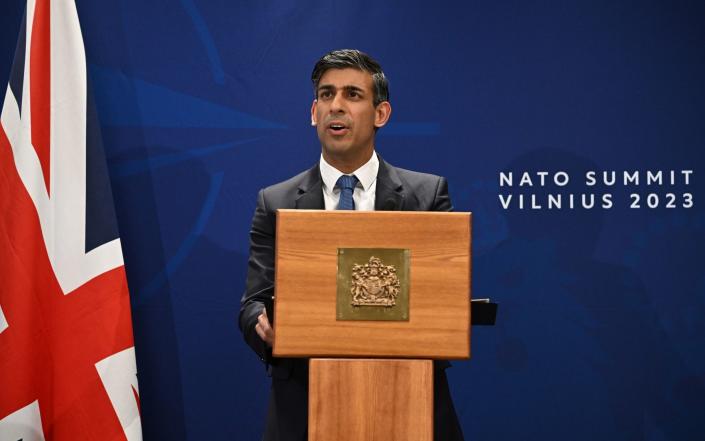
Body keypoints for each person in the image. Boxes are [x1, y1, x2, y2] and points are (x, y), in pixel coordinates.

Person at [239, 49, 465, 441]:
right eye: (326, 95)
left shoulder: (425, 195)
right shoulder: (274, 202)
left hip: (409, 401)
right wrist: (264, 325)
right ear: (313, 112)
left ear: (381, 114)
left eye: (352, 95)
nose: (336, 106)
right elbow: (253, 303)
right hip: (304, 406)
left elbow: (442, 302)